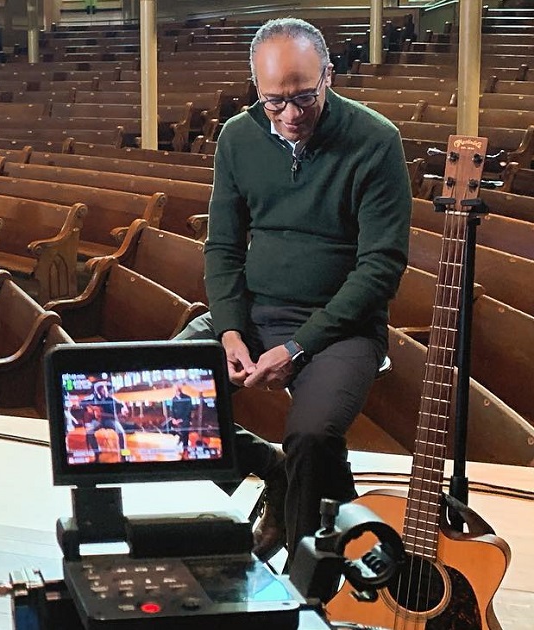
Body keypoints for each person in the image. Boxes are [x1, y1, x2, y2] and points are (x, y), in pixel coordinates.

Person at [175, 18, 410, 562]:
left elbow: (381, 268)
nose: (290, 115)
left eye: (303, 97)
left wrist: (299, 346)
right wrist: (231, 329)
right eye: (274, 101)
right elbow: (224, 248)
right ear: (256, 87)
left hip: (341, 327)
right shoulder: (238, 136)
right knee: (169, 388)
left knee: (311, 438)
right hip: (255, 314)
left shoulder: (375, 141)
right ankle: (266, 471)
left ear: (328, 76)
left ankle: (307, 587)